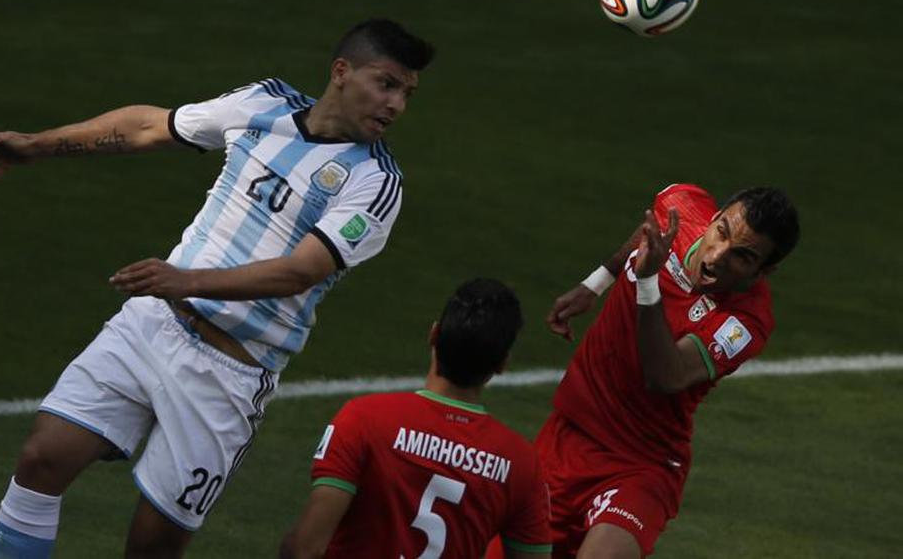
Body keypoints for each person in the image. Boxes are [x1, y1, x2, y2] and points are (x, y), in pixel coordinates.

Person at [0, 18, 435, 559]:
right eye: (386, 83)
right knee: (41, 459)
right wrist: (40, 146)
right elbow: (149, 126)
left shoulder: (374, 183)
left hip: (229, 373)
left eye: (406, 93)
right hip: (152, 324)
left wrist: (183, 280)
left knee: (153, 545)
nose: (396, 104)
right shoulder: (263, 104)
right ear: (341, 72)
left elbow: (300, 271)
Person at [525, 184, 799, 558]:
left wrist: (648, 282)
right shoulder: (681, 206)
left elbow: (665, 376)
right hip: (568, 434)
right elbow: (648, 233)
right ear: (715, 217)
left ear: (765, 271)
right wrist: (597, 282)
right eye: (721, 232)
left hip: (641, 465)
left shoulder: (745, 322)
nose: (718, 256)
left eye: (743, 257)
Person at [280, 278, 552, 559]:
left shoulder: (364, 419)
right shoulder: (522, 464)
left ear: (433, 334)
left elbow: (304, 549)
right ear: (502, 364)